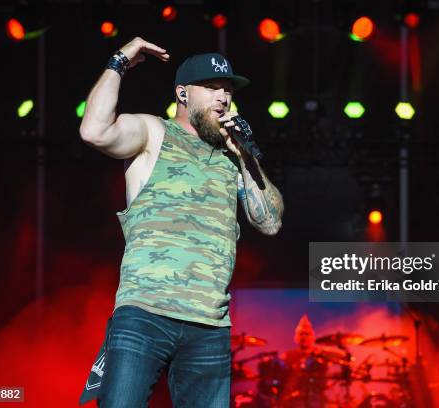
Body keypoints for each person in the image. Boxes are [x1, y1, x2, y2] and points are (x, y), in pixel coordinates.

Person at [78, 37, 284, 408]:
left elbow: (269, 222)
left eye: (227, 90)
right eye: (211, 88)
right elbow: (94, 131)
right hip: (144, 314)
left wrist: (246, 157)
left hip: (210, 326)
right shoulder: (153, 132)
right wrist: (120, 60)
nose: (222, 97)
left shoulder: (232, 159)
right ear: (183, 94)